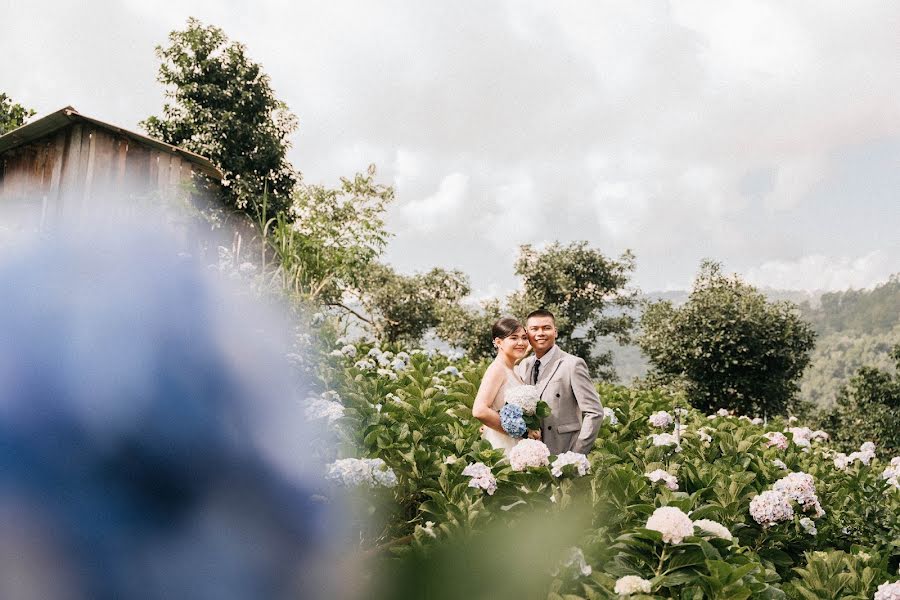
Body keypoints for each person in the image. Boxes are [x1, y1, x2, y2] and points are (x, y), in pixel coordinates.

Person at [515, 309, 602, 455]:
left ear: (555, 332)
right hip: (532, 455)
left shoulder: (572, 364)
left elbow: (595, 412)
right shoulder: (524, 365)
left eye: (546, 328)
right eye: (534, 329)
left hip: (564, 452)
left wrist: (576, 455)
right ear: (526, 333)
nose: (540, 333)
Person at [471, 317, 539, 453]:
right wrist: (523, 431)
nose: (521, 343)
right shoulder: (497, 369)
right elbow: (479, 410)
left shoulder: (512, 369)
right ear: (498, 342)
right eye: (514, 338)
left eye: (524, 338)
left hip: (516, 443)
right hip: (504, 444)